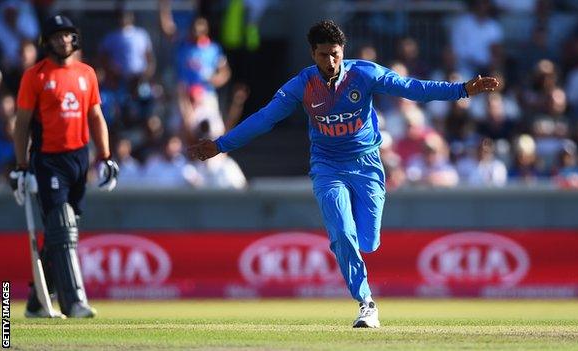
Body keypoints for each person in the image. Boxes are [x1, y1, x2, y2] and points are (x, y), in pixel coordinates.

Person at [188, 20, 499, 328]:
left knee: (368, 240)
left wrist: (462, 90)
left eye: (335, 53)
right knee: (342, 230)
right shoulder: (302, 85)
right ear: (313, 54)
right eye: (323, 55)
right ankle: (366, 303)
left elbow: (412, 89)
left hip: (367, 164)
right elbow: (264, 119)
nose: (331, 61)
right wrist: (220, 145)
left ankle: (346, 245)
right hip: (327, 166)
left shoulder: (364, 73)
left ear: (343, 51)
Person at [9, 15, 119, 318]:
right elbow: (22, 125)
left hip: (78, 159)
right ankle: (74, 302)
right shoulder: (36, 76)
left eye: (67, 35)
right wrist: (21, 165)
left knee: (63, 232)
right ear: (47, 41)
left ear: (75, 39)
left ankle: (35, 303)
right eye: (56, 36)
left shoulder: (87, 74)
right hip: (48, 160)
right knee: (61, 225)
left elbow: (96, 117)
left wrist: (105, 156)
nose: (63, 40)